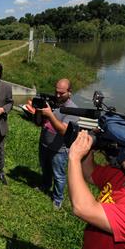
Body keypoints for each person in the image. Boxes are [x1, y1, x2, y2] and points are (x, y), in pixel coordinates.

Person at [35, 79, 78, 210]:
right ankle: (45, 185)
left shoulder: (73, 109)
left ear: (70, 92)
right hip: (44, 144)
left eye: (62, 93)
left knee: (58, 175)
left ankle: (58, 198)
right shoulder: (50, 102)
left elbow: (63, 130)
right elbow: (38, 123)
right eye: (56, 91)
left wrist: (50, 115)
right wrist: (38, 111)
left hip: (59, 149)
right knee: (45, 168)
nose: (58, 95)